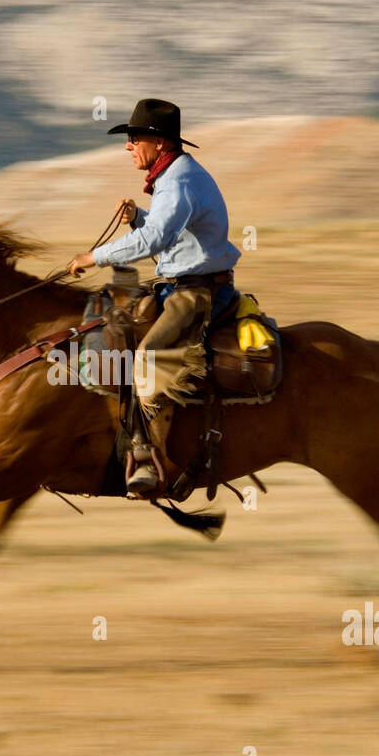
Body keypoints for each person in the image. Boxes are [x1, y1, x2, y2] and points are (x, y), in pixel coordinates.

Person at [68, 98, 241, 495]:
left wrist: (92, 257)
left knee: (147, 359)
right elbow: (172, 232)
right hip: (180, 284)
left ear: (159, 143)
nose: (128, 147)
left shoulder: (179, 180)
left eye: (134, 139)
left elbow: (156, 241)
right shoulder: (173, 178)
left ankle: (153, 457)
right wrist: (139, 217)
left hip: (197, 292)